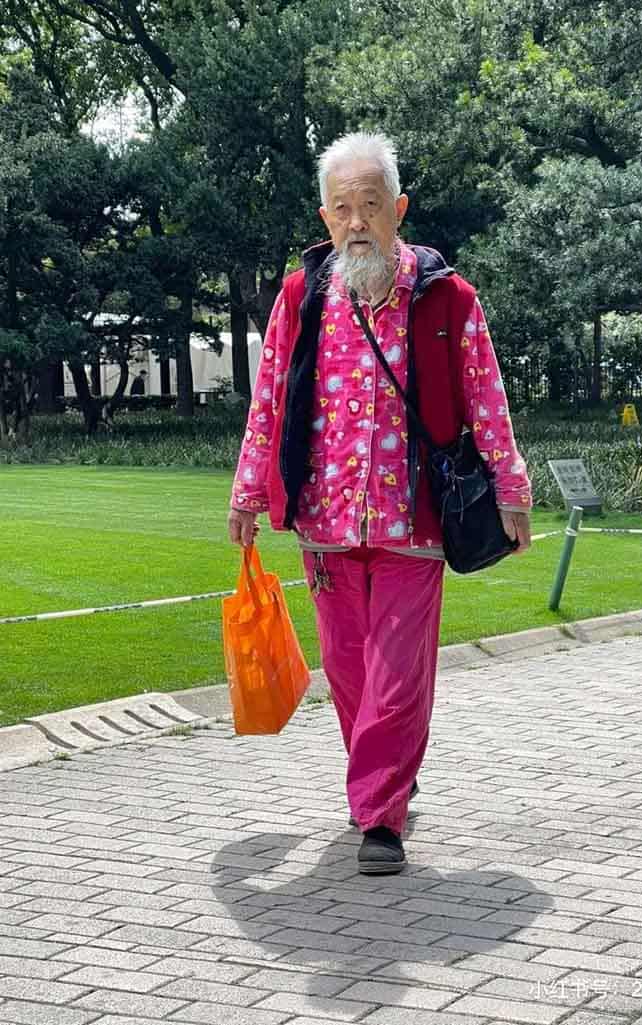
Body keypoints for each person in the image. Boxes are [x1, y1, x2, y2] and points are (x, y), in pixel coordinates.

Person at [228, 131, 531, 875]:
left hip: (414, 521)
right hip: (325, 522)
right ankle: (387, 776)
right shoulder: (300, 298)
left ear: (398, 209)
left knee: (398, 674)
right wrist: (247, 493)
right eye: (342, 208)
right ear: (325, 217)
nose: (356, 221)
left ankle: (380, 817)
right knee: (349, 672)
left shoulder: (448, 298)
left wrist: (512, 487)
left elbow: (486, 396)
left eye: (371, 205)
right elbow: (268, 400)